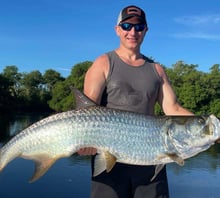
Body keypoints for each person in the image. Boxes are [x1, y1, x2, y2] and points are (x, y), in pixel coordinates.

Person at [78, 5, 192, 198]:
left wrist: (209, 127)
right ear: (117, 30)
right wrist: (84, 139)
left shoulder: (157, 70)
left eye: (139, 27)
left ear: (146, 30)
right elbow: (86, 113)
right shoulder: (103, 63)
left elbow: (173, 108)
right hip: (109, 161)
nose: (133, 32)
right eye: (127, 26)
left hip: (152, 159)